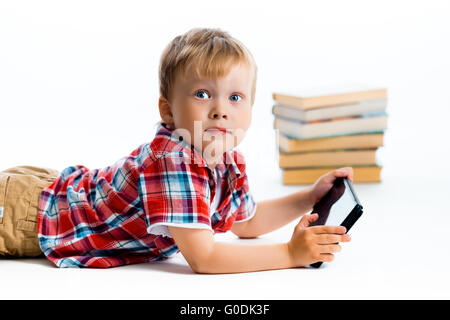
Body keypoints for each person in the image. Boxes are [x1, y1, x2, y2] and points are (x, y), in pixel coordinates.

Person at [0, 27, 352, 272]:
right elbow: (205, 258)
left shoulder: (224, 159)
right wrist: (290, 254)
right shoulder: (174, 160)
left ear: (250, 109)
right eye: (202, 94)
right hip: (32, 215)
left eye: (235, 97)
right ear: (168, 110)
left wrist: (309, 197)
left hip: (55, 191)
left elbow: (246, 223)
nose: (220, 109)